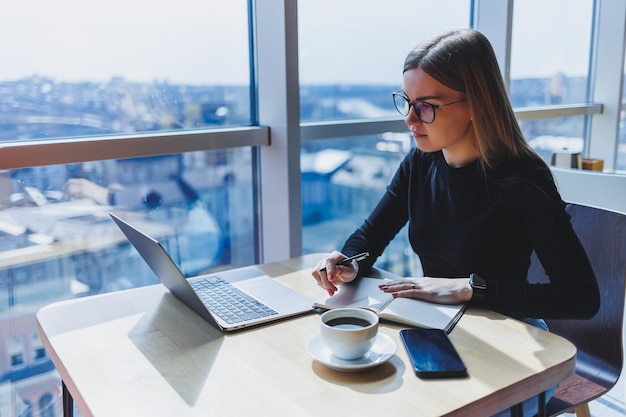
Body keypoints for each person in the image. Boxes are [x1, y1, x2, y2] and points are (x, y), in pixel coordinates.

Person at [311, 29, 600, 417]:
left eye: (426, 106)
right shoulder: (420, 162)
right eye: (408, 102)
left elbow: (582, 297)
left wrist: (470, 289)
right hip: (438, 333)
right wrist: (346, 261)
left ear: (476, 104)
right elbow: (369, 236)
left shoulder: (523, 179)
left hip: (511, 349)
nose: (411, 120)